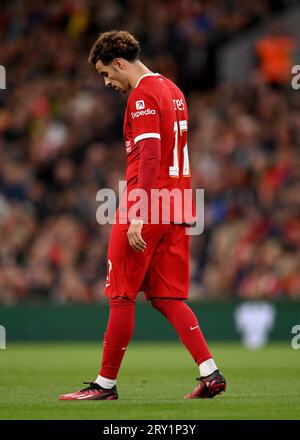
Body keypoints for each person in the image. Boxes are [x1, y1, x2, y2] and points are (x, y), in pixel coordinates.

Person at [59, 30, 226, 401]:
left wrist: (138, 212)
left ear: (119, 62)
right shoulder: (174, 90)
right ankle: (210, 372)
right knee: (167, 297)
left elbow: (150, 156)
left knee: (121, 295)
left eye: (106, 73)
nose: (107, 82)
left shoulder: (142, 96)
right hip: (178, 205)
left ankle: (104, 385)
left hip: (147, 204)